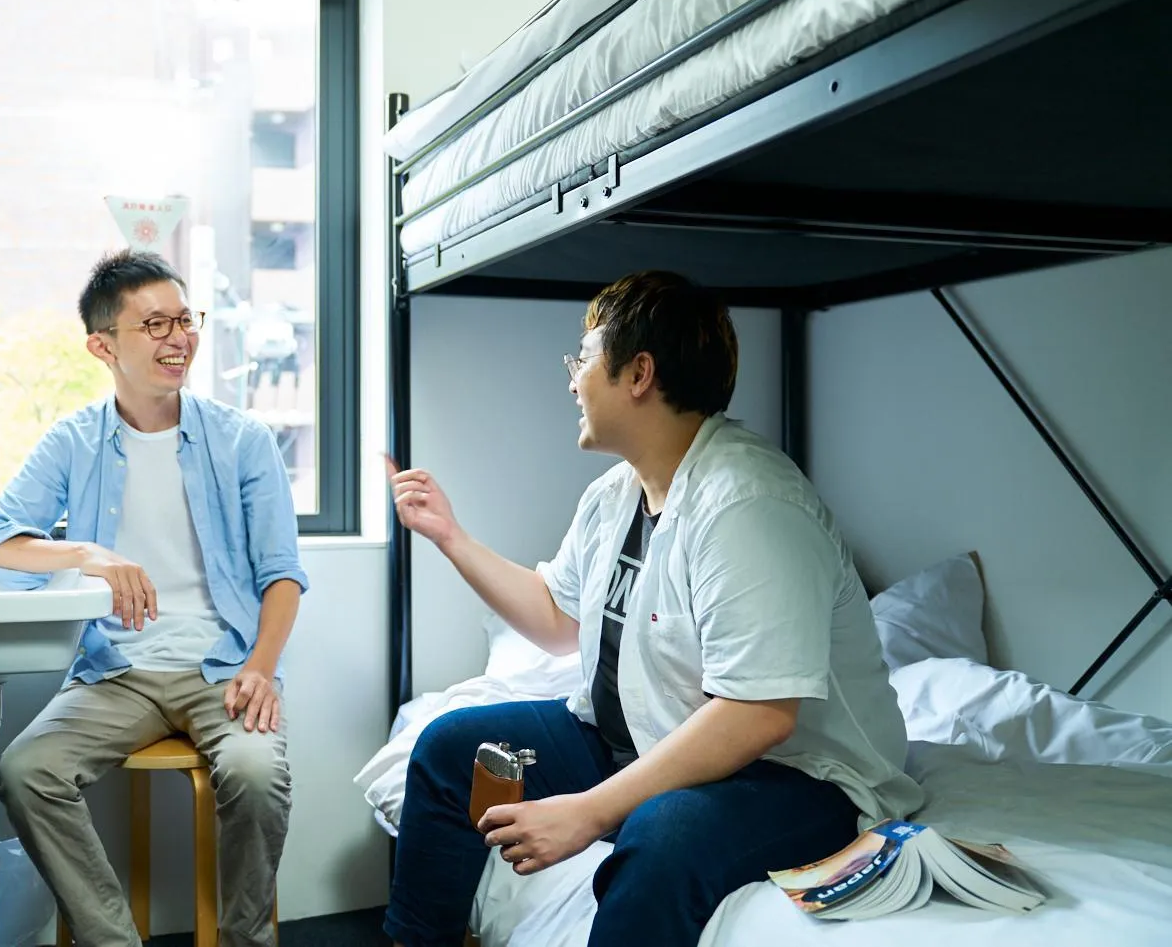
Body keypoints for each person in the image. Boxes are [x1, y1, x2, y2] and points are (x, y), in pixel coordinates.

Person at [383, 271, 923, 947]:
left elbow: (761, 711)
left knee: (659, 835)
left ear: (639, 372)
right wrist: (450, 537)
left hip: (793, 777)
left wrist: (588, 811)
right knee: (449, 750)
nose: (573, 378)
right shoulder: (616, 493)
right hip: (641, 735)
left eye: (583, 358)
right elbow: (558, 617)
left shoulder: (748, 503)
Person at [0, 248, 307, 947]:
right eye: (155, 324)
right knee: (27, 771)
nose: (179, 337)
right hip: (115, 670)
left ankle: (249, 940)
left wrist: (262, 667)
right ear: (102, 344)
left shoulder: (242, 440)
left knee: (254, 772)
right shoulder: (73, 441)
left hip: (224, 665)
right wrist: (89, 554)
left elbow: (282, 572)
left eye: (186, 319)